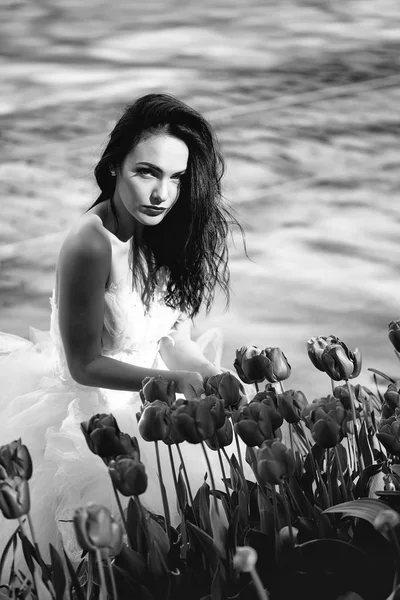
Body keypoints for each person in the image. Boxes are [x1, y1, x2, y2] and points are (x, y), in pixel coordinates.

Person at [0, 93, 247, 572]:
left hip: (161, 406)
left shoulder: (165, 230)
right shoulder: (90, 244)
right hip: (97, 416)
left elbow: (172, 339)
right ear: (114, 165)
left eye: (176, 178)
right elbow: (83, 363)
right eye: (147, 172)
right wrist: (172, 387)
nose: (162, 193)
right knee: (114, 562)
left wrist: (207, 374)